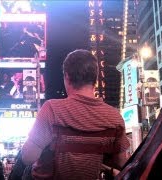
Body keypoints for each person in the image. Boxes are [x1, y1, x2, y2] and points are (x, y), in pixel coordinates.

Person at [21, 49, 130, 179]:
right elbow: (121, 163)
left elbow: (27, 157)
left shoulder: (52, 109)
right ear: (95, 78)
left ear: (67, 76)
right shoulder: (114, 117)